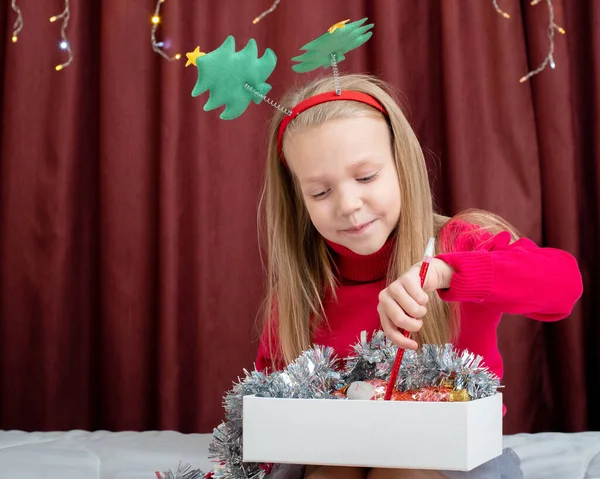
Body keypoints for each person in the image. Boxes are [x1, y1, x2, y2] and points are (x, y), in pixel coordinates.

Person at [254, 73, 583, 479]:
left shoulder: (458, 243)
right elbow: (271, 398)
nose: (349, 205)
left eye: (366, 177)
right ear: (299, 200)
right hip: (334, 454)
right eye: (320, 193)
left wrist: (449, 273)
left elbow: (563, 285)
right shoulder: (302, 287)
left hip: (446, 457)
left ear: (402, 165)